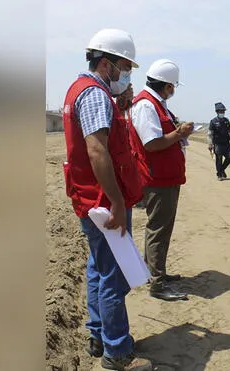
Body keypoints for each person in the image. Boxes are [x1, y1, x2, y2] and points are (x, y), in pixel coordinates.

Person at [62, 28, 152, 370]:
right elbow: (97, 149)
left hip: (88, 199)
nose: (126, 73)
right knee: (113, 275)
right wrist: (116, 201)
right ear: (107, 63)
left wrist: (121, 104)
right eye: (125, 66)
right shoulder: (96, 94)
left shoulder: (80, 89)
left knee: (99, 269)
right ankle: (117, 352)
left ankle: (98, 334)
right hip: (102, 201)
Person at [128, 59, 193, 302]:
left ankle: (156, 272)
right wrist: (179, 133)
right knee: (159, 228)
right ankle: (157, 283)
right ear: (166, 85)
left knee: (160, 227)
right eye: (173, 86)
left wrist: (176, 133)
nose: (173, 90)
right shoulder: (147, 105)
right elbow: (152, 143)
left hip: (164, 175)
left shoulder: (156, 104)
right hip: (158, 178)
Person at [207, 102, 230, 180]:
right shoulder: (213, 121)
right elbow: (210, 134)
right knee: (219, 159)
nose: (222, 113)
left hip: (226, 143)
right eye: (221, 111)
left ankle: (221, 170)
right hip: (218, 144)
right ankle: (219, 175)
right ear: (217, 112)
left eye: (223, 111)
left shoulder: (226, 120)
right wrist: (210, 144)